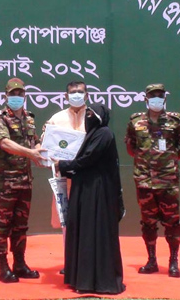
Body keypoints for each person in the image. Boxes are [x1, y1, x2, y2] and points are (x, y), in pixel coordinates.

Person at [53, 104, 126, 295]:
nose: (88, 116)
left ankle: (99, 282)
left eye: (92, 113)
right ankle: (80, 279)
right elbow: (82, 162)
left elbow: (88, 159)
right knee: (82, 231)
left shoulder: (104, 134)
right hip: (85, 189)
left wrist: (62, 164)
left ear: (101, 116)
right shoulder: (90, 135)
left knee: (95, 232)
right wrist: (65, 166)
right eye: (87, 114)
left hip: (98, 193)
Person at [125, 83, 180, 278]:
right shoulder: (135, 121)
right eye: (152, 96)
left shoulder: (175, 120)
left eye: (159, 96)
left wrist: (168, 162)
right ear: (146, 99)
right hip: (144, 180)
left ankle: (173, 261)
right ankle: (151, 260)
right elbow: (131, 147)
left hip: (168, 180)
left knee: (172, 222)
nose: (156, 99)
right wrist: (145, 163)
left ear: (164, 99)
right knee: (148, 222)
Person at [0, 78, 47, 283]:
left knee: (21, 225)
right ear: (6, 96)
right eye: (12, 94)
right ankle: (2, 266)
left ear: (25, 96)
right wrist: (31, 153)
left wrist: (39, 149)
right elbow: (5, 143)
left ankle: (19, 264)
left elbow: (36, 141)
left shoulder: (29, 118)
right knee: (2, 225)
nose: (16, 97)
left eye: (20, 94)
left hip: (24, 181)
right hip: (4, 182)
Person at [42, 81, 88, 274]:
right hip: (64, 178)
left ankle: (88, 262)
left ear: (86, 94)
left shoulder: (94, 116)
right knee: (66, 222)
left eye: (80, 91)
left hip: (88, 178)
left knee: (88, 220)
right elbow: (46, 145)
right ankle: (70, 262)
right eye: (72, 92)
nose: (76, 95)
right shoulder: (56, 118)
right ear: (66, 95)